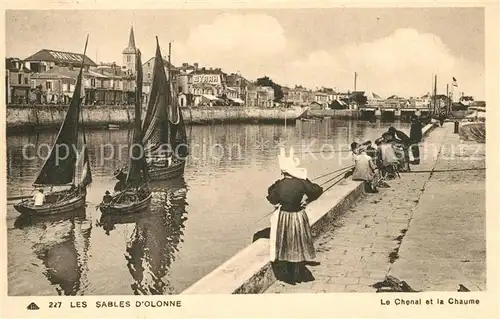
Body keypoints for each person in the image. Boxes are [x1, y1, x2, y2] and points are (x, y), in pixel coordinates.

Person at [267, 147, 323, 284]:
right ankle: (298, 270)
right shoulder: (301, 182)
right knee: (298, 240)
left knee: (286, 241)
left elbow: (272, 198)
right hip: (298, 215)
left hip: (285, 216)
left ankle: (289, 272)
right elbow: (317, 190)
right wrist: (307, 200)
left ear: (283, 171)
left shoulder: (279, 185)